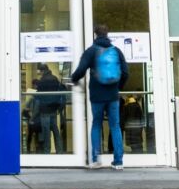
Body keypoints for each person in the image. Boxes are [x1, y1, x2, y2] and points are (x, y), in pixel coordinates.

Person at [70, 23, 128, 167]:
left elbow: (81, 70)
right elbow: (125, 72)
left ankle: (96, 159)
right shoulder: (116, 51)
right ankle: (118, 161)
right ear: (107, 34)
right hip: (113, 95)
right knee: (115, 126)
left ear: (95, 34)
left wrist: (73, 79)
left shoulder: (91, 51)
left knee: (96, 124)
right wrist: (118, 87)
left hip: (97, 95)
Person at [26, 61, 69, 152]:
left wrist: (33, 116)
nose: (40, 73)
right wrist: (60, 108)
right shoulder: (55, 78)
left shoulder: (42, 81)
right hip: (53, 110)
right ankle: (59, 151)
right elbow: (62, 92)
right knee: (56, 132)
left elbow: (38, 99)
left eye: (40, 72)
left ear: (42, 71)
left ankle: (47, 153)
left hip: (45, 111)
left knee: (46, 134)